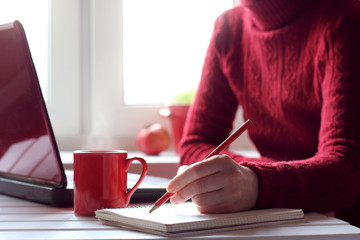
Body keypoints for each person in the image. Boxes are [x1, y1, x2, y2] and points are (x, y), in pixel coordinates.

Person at [166, 0, 360, 227]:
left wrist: (256, 181)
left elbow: (347, 172)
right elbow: (194, 145)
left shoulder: (343, 23)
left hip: (342, 224)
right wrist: (250, 177)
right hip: (280, 217)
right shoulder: (229, 27)